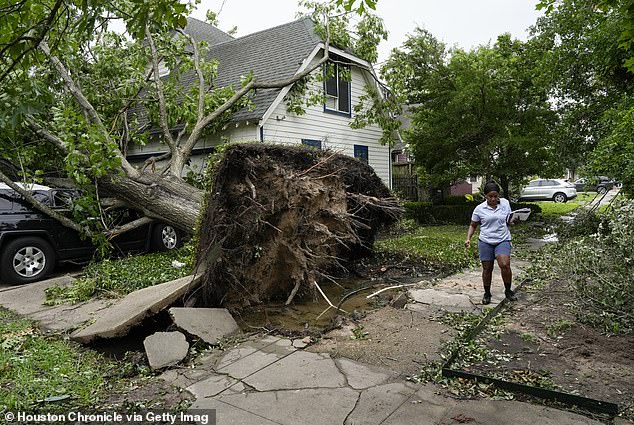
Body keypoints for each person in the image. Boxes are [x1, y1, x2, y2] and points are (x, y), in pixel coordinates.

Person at [464, 181, 518, 305]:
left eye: (496, 196)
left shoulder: (505, 204)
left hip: (502, 239)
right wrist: (468, 238)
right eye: (490, 196)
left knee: (504, 264)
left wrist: (515, 221)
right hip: (486, 241)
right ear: (485, 196)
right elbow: (473, 225)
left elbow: (509, 220)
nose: (493, 199)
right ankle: (487, 293)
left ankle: (508, 291)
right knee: (487, 268)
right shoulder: (479, 209)